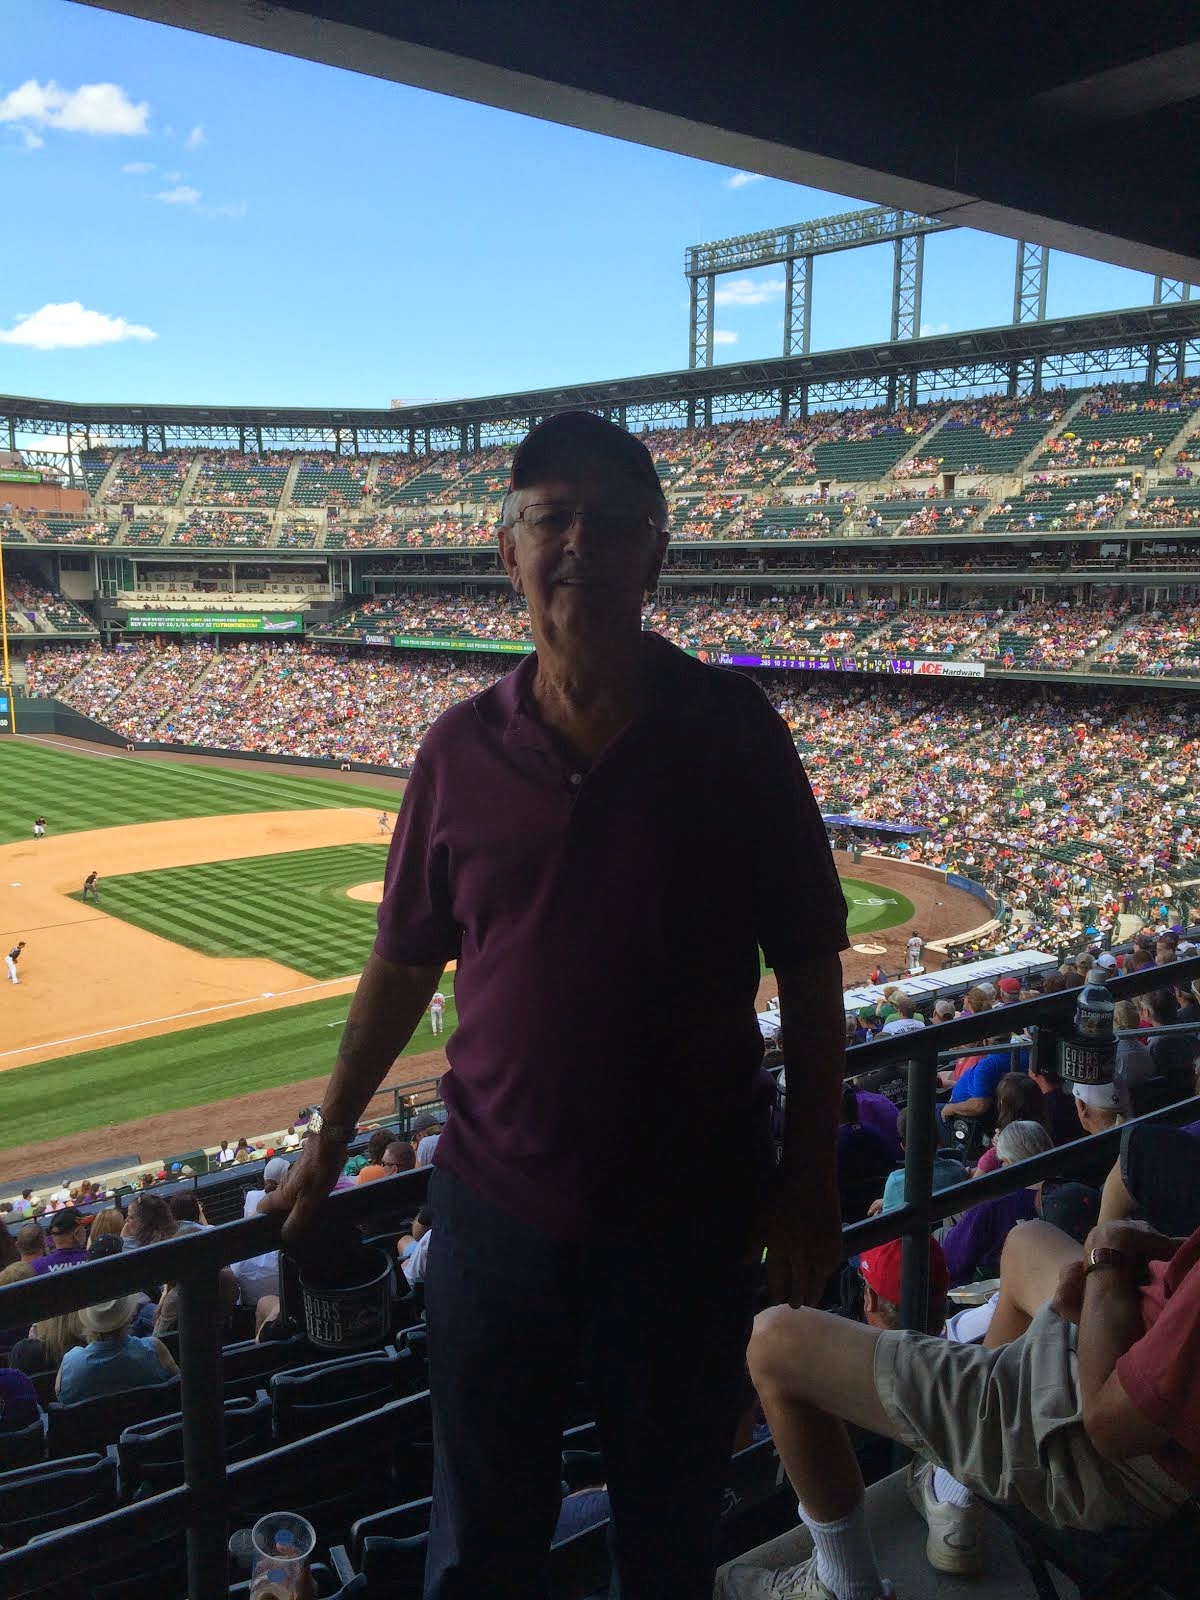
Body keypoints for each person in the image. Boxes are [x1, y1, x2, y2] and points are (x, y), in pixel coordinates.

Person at [265, 411, 849, 1600]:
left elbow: (813, 959)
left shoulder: (736, 732)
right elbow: (401, 962)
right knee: (481, 1544)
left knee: (671, 1536)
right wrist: (327, 1134)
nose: (582, 542)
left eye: (616, 521)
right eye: (553, 518)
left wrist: (811, 1174)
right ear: (509, 551)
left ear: (656, 558)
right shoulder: (455, 751)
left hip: (691, 1215)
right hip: (494, 1216)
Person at [732, 1215, 1200, 1600]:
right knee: (1023, 1240)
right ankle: (955, 1491)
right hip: (1137, 1340)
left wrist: (1108, 1264)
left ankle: (843, 1583)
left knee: (773, 1341)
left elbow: (1109, 1427)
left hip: (1109, 1430)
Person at [940, 1120, 1054, 1284]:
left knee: (940, 1234)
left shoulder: (992, 1205)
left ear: (1009, 1161)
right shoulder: (1067, 1191)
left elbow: (952, 1263)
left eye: (1003, 1162)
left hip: (993, 1291)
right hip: (1043, 1282)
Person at [57, 1294, 178, 1403]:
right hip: (152, 1426)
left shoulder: (71, 1363)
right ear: (130, 1316)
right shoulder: (154, 1349)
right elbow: (180, 1386)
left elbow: (61, 1398)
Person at [32, 1207, 90, 1273]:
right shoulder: (93, 1259)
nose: (85, 1231)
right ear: (77, 1233)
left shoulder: (36, 1267)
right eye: (84, 1228)